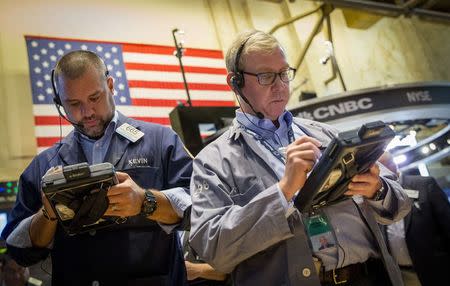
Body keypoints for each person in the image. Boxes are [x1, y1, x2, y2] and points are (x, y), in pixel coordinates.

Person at [189, 30, 411, 286]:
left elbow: (402, 205)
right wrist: (282, 191)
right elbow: (213, 248)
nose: (280, 85)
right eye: (266, 76)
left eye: (284, 73)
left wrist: (378, 189)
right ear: (235, 82)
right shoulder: (212, 161)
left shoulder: (326, 133)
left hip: (371, 277)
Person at [1, 50, 193, 285]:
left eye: (95, 98)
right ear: (59, 103)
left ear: (110, 86)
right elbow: (17, 248)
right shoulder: (43, 166)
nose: (88, 112)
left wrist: (145, 201)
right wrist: (48, 214)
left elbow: (198, 208)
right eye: (74, 104)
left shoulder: (161, 141)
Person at [379, 152, 450, 286]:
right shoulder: (376, 198)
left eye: (381, 167)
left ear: (393, 164)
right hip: (401, 275)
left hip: (437, 270)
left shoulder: (424, 184)